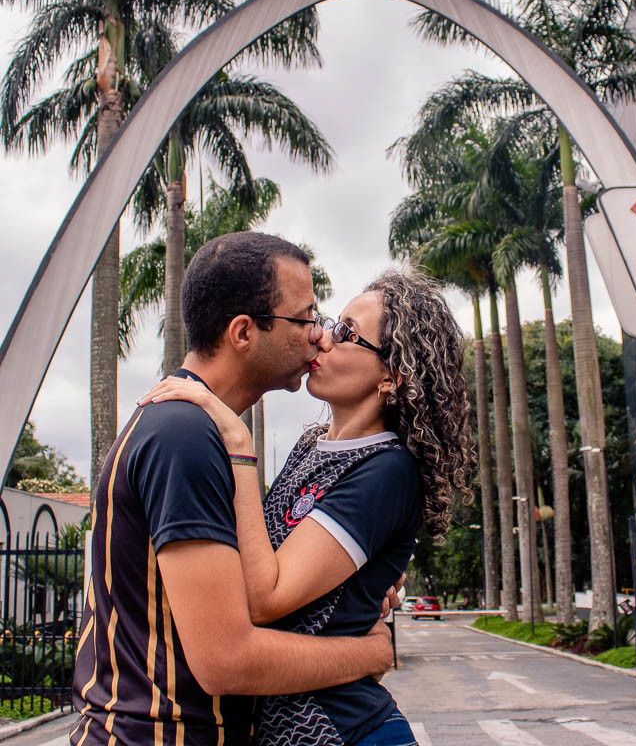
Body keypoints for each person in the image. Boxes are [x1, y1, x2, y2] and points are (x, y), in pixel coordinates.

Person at [71, 233, 395, 746]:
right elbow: (227, 659)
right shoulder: (185, 436)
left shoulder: (194, 429)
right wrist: (372, 653)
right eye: (305, 317)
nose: (319, 335)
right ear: (243, 332)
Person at [138, 268, 475, 746]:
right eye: (333, 323)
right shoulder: (311, 445)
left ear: (391, 377)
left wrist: (237, 444)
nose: (323, 340)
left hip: (345, 729)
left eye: (347, 334)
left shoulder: (387, 470)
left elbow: (264, 598)